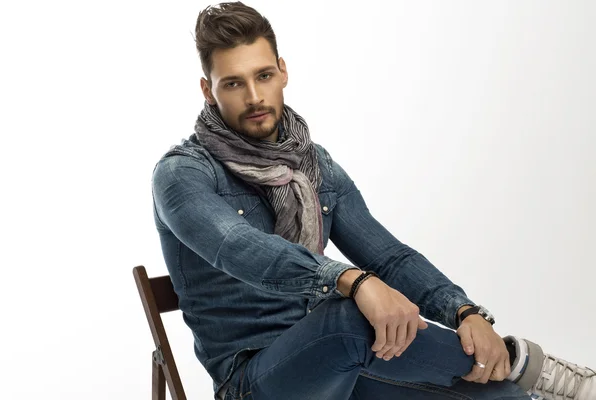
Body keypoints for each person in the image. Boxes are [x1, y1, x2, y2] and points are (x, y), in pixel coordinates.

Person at [151, 2, 595, 399]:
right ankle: (523, 366)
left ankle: (523, 387)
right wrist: (355, 282)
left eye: (263, 76)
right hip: (255, 383)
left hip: (341, 367)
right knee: (348, 320)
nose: (254, 97)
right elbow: (241, 248)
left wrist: (465, 313)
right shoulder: (183, 174)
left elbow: (390, 257)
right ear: (209, 90)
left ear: (283, 71)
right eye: (233, 83)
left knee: (496, 399)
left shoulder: (313, 165)